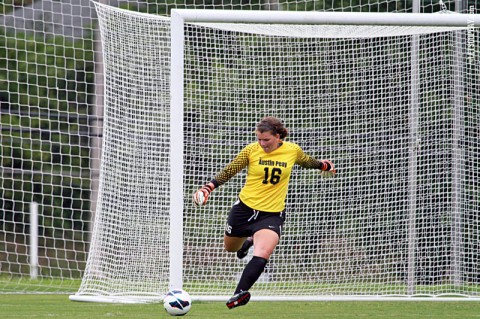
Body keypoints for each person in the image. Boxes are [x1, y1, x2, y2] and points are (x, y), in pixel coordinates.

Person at [193, 116, 336, 309]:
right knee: (231, 248)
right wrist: (208, 187)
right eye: (259, 139)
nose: (262, 143)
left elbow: (307, 161)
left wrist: (323, 165)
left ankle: (238, 294)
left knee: (263, 252)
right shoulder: (251, 150)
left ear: (278, 136)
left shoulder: (292, 150)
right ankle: (248, 240)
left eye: (266, 140)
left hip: (272, 214)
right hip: (244, 210)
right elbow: (230, 170)